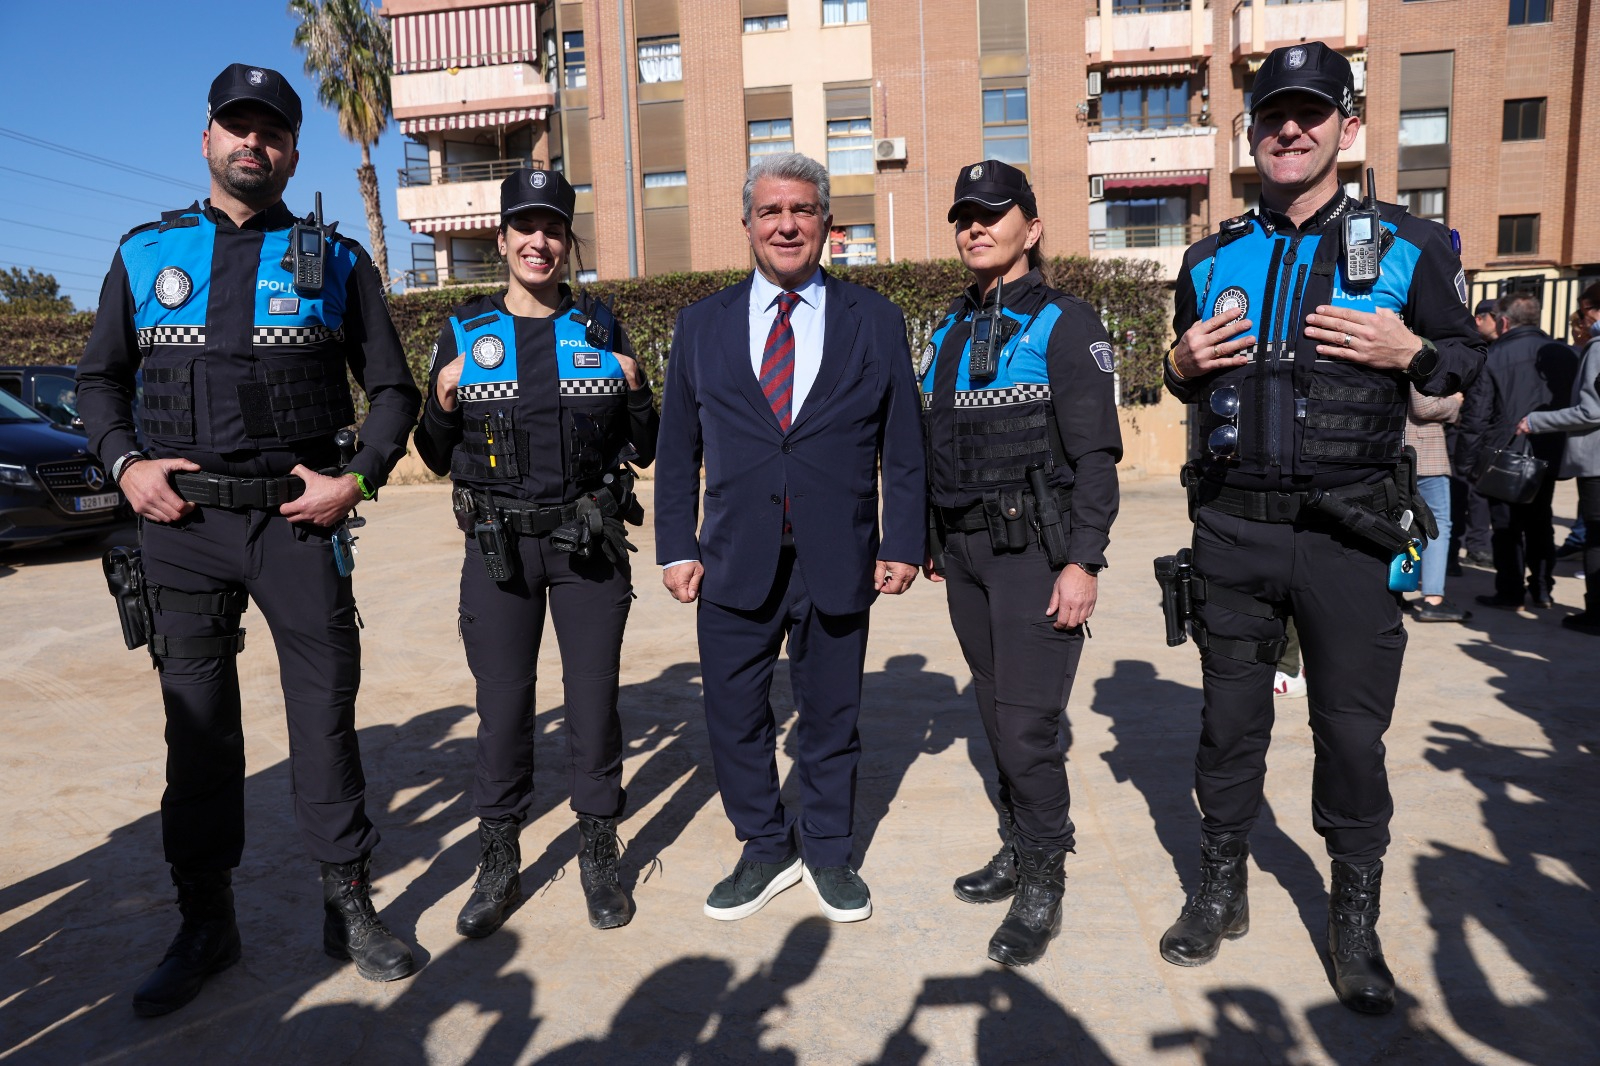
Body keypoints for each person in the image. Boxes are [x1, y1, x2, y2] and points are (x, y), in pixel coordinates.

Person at [75, 64, 422, 1015]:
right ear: (207, 139)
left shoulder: (336, 260)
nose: (252, 144)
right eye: (237, 127)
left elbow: (393, 390)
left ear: (293, 149)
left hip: (294, 524)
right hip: (178, 527)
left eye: (270, 131)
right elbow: (97, 381)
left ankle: (347, 904)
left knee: (324, 717)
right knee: (198, 735)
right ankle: (205, 924)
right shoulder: (147, 253)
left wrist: (357, 480)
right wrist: (122, 464)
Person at [1158, 42, 1483, 1015]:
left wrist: (1414, 347)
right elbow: (1186, 387)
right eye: (1270, 116)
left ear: (1348, 127)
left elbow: (1469, 366)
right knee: (1226, 727)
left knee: (1348, 734)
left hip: (1349, 537)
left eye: (1309, 114)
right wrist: (1176, 360)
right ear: (1249, 135)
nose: (1287, 130)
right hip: (1233, 535)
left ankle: (1352, 921)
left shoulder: (1409, 249)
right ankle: (1220, 886)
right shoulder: (1208, 257)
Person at [654, 152, 924, 924]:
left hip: (839, 557)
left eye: (802, 210)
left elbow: (901, 443)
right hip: (731, 559)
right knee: (735, 717)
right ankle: (765, 848)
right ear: (747, 225)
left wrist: (901, 538)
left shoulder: (874, 319)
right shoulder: (699, 325)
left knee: (833, 714)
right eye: (771, 211)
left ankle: (831, 851)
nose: (786, 225)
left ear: (827, 226)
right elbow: (678, 450)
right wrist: (677, 544)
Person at [412, 169, 659, 936]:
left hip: (585, 543)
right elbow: (429, 451)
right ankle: (499, 857)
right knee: (504, 709)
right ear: (503, 240)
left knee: (592, 703)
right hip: (499, 552)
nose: (539, 242)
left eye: (552, 228)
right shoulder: (463, 331)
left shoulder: (601, 327)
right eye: (525, 227)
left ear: (566, 241)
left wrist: (640, 383)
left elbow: (646, 448)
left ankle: (597, 851)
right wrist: (443, 399)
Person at [920, 159, 1121, 966]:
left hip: (1037, 553)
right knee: (993, 709)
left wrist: (1085, 562)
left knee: (1029, 727)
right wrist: (935, 541)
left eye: (993, 214)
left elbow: (1097, 456)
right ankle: (1017, 842)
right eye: (964, 215)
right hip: (965, 555)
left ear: (1031, 229)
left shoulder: (1066, 324)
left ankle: (1044, 876)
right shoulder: (948, 329)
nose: (975, 226)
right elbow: (934, 443)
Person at [1459, 293, 1577, 610]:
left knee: (1507, 526)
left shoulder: (1494, 355)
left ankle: (1510, 591)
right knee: (1540, 522)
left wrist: (1467, 463)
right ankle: (1542, 588)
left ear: (1505, 321)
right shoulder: (1565, 353)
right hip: (1549, 452)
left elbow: (1476, 415)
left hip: (1503, 453)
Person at [1518, 281, 1600, 632]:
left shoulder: (1598, 346)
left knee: (1596, 537)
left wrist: (1537, 420)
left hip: (1596, 461)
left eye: (1584, 312)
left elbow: (1591, 411)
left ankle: (1596, 613)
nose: (1584, 320)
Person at [1406, 385, 1471, 621]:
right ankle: (1433, 598)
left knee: (1400, 522)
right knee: (1438, 524)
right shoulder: (1417, 351)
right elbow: (1424, 407)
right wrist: (1455, 400)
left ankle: (1396, 590)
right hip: (1424, 452)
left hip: (1397, 448)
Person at [1449, 299, 1501, 570]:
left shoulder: (1499, 350)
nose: (1502, 320)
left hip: (1480, 433)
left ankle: (1478, 546)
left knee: (1477, 494)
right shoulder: (1465, 343)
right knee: (1458, 494)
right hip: (1459, 430)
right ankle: (1453, 554)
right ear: (1480, 318)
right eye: (1496, 315)